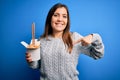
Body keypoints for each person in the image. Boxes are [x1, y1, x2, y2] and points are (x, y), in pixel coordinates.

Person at [26, 3, 104, 80]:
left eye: (64, 16)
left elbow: (98, 55)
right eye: (56, 15)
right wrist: (31, 60)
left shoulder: (74, 37)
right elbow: (37, 66)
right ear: (50, 18)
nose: (60, 19)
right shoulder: (41, 40)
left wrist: (94, 37)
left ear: (67, 20)